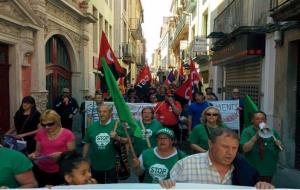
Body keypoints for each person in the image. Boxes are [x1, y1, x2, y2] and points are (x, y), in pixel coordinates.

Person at [159, 128, 274, 189]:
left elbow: (254, 185)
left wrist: (263, 186)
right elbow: (168, 187)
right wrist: (167, 185)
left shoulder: (244, 168)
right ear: (210, 144)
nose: (230, 153)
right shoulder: (185, 165)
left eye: (234, 148)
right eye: (225, 147)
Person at [82, 104, 129, 184]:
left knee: (111, 188)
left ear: (110, 113)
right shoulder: (92, 127)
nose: (101, 114)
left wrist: (118, 137)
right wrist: (83, 160)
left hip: (112, 166)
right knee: (96, 187)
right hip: (95, 165)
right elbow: (87, 144)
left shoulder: (117, 125)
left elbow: (127, 140)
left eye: (104, 111)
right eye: (99, 112)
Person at [28, 109, 76, 187]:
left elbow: (73, 155)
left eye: (50, 124)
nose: (47, 127)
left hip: (60, 171)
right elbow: (37, 151)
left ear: (57, 122)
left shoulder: (67, 134)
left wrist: (62, 155)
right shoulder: (40, 133)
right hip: (42, 170)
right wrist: (32, 156)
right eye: (44, 125)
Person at [241, 111, 283, 183]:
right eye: (257, 119)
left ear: (266, 120)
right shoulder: (247, 131)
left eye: (263, 119)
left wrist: (279, 144)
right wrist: (256, 136)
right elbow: (244, 149)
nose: (260, 121)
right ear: (252, 120)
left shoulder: (272, 131)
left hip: (268, 169)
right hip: (252, 168)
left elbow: (280, 148)